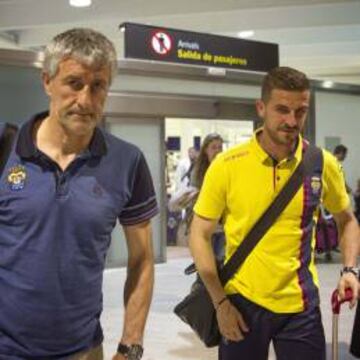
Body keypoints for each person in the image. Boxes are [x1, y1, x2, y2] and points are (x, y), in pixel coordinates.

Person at [0, 28, 158, 360]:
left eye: (98, 86)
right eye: (74, 83)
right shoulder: (6, 148)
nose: (85, 100)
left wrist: (131, 346)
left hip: (85, 350)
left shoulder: (127, 161)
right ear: (47, 81)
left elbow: (142, 260)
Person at [189, 66, 360, 360]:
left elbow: (347, 221)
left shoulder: (322, 163)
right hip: (241, 303)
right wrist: (220, 304)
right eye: (282, 110)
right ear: (261, 108)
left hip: (301, 305)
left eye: (300, 111)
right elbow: (198, 234)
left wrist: (348, 270)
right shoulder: (227, 165)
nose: (292, 121)